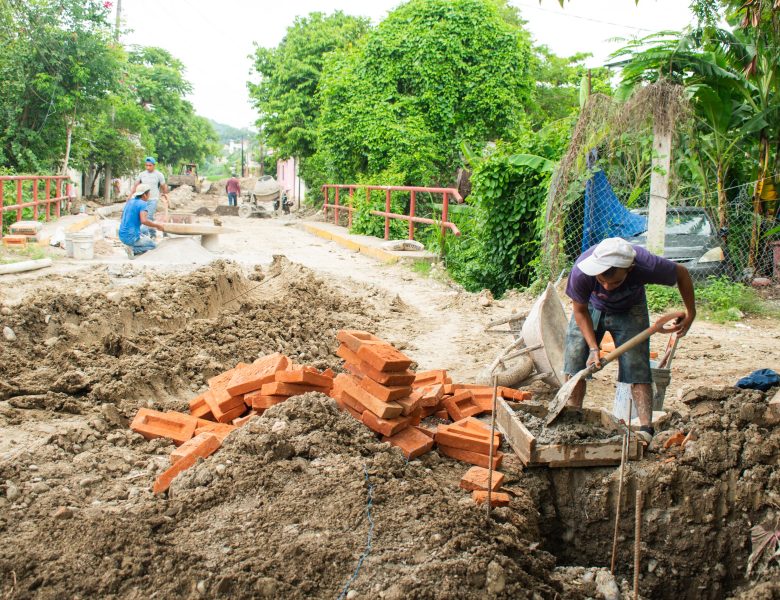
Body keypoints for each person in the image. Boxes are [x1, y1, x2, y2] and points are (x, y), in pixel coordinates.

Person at [563, 237, 696, 443]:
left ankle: (645, 429)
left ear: (630, 269)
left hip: (631, 308)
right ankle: (571, 418)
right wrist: (592, 348)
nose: (607, 287)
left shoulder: (646, 265)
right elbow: (579, 311)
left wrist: (691, 312)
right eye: (601, 281)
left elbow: (681, 273)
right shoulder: (583, 270)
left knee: (636, 364)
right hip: (590, 307)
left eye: (615, 281)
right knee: (575, 359)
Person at [119, 183, 165, 258]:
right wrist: (157, 225)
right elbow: (144, 221)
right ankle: (133, 249)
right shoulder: (143, 204)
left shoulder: (130, 201)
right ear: (144, 195)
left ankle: (132, 245)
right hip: (131, 237)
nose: (150, 195)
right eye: (149, 193)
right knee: (153, 245)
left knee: (144, 230)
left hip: (122, 235)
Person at [129, 157, 168, 238]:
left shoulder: (159, 175)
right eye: (146, 165)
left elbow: (163, 186)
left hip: (153, 199)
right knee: (144, 217)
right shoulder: (142, 174)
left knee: (149, 216)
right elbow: (136, 185)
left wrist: (165, 195)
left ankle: (149, 235)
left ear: (154, 165)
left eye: (150, 165)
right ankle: (152, 233)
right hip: (143, 199)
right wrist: (130, 195)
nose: (148, 167)